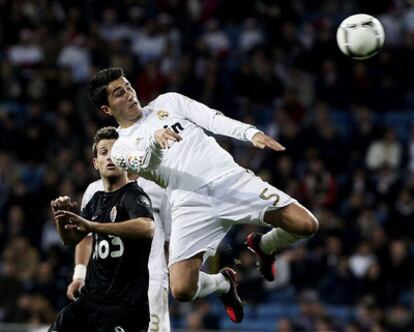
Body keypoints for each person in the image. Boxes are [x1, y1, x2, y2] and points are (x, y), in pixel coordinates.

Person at [88, 67, 319, 323]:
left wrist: (249, 133)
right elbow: (147, 163)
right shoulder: (120, 147)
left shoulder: (167, 101)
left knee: (306, 225)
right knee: (181, 289)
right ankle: (223, 283)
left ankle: (265, 245)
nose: (130, 94)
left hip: (230, 180)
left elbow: (210, 118)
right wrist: (155, 140)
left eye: (129, 86)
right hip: (189, 202)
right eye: (120, 93)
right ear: (107, 110)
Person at [49, 127, 154, 332]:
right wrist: (61, 219)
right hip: (90, 302)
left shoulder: (133, 194)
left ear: (124, 158)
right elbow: (71, 239)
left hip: (125, 307)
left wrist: (93, 226)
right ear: (96, 163)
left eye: (115, 152)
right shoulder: (96, 200)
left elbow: (147, 227)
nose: (109, 158)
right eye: (104, 153)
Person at [67, 174, 171, 332]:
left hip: (150, 280)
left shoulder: (158, 187)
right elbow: (85, 237)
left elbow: (169, 238)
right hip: (106, 286)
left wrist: (169, 275)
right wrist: (79, 275)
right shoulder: (94, 190)